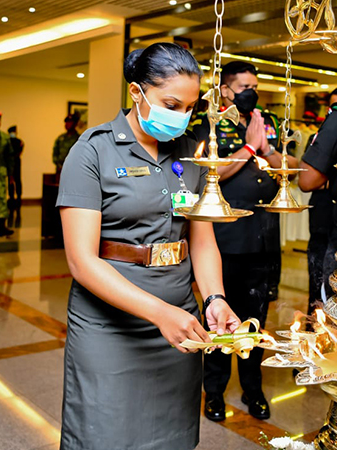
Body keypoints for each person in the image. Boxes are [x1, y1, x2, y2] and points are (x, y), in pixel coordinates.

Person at [55, 42, 240, 450]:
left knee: (170, 436)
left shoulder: (190, 153)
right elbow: (82, 261)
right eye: (171, 105)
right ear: (137, 92)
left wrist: (214, 299)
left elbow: (202, 240)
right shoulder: (93, 150)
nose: (181, 117)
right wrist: (159, 313)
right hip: (110, 326)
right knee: (105, 435)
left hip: (180, 324)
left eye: (189, 108)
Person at [192, 60, 297, 422]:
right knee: (220, 317)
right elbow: (210, 173)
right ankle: (214, 391)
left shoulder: (268, 120)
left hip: (263, 236)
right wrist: (249, 148)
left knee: (256, 319)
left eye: (255, 86)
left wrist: (267, 151)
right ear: (225, 90)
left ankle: (254, 389)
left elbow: (288, 165)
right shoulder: (209, 121)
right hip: (224, 239)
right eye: (244, 87)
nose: (251, 92)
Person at [299, 85, 337, 315]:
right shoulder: (320, 136)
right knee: (320, 281)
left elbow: (311, 178)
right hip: (324, 212)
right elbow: (308, 179)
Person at [7, 125, 24, 212]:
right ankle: (12, 197)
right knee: (11, 180)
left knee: (17, 180)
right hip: (10, 162)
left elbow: (20, 151)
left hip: (16, 162)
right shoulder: (7, 142)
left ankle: (18, 197)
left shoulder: (19, 141)